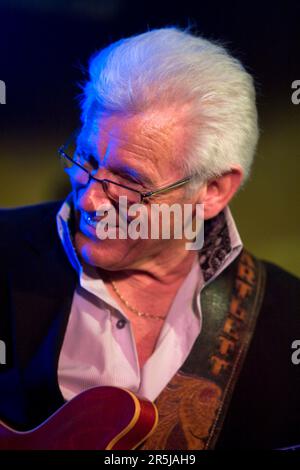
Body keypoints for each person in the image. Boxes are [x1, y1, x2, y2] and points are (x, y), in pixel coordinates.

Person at [0, 27, 299, 450]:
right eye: (85, 158)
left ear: (213, 190)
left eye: (128, 181)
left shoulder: (289, 318)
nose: (88, 199)